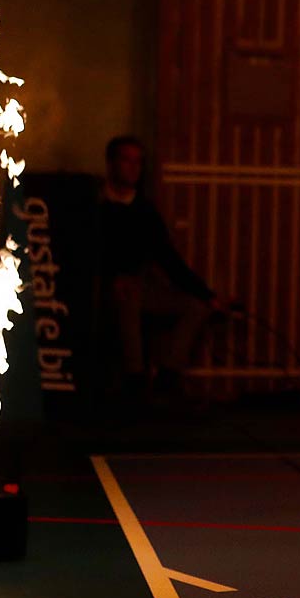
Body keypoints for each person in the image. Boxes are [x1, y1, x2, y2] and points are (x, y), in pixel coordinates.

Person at [95, 135, 223, 404]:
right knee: (126, 296)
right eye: (126, 160)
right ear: (111, 164)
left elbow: (168, 258)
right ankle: (134, 378)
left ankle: (168, 374)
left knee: (194, 306)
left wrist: (205, 294)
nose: (132, 168)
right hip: (105, 286)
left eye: (137, 163)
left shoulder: (144, 211)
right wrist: (111, 279)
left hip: (141, 286)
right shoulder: (96, 206)